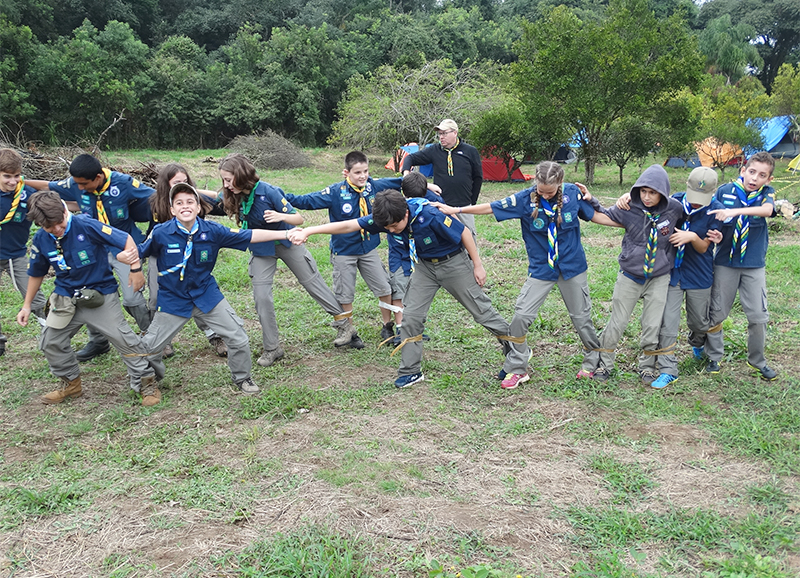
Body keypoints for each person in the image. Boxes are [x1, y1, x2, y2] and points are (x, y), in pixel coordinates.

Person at [290, 188, 511, 389]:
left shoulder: (429, 215)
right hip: (425, 267)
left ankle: (516, 351)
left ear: (405, 214)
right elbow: (350, 225)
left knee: (481, 311)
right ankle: (411, 371)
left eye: (394, 227)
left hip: (453, 263)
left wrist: (478, 265)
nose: (391, 230)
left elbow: (464, 233)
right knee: (410, 317)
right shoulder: (387, 217)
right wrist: (310, 231)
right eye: (387, 228)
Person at [433, 161, 601, 389]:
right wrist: (457, 210)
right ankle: (518, 367)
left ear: (560, 183)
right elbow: (491, 207)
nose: (544, 195)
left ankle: (592, 361)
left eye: (550, 192)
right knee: (521, 316)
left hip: (572, 267)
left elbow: (595, 214)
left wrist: (627, 222)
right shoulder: (525, 199)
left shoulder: (572, 193)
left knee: (581, 318)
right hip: (542, 270)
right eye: (541, 191)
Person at [135, 182, 288, 397]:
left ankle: (242, 377)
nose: (185, 206)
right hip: (173, 298)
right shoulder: (161, 232)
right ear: (172, 210)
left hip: (205, 294)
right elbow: (138, 251)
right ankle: (149, 382)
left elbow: (249, 235)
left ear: (199, 207)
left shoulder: (212, 230)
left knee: (238, 337)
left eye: (190, 202)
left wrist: (284, 234)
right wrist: (132, 267)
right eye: (179, 203)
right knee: (148, 347)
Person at [16, 192, 164, 406]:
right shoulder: (41, 238)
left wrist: (135, 269)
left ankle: (146, 383)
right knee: (50, 341)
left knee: (123, 338)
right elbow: (36, 273)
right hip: (66, 297)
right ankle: (70, 383)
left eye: (59, 223)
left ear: (64, 211)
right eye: (49, 227)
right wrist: (26, 305)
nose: (57, 229)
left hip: (100, 294)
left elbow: (125, 239)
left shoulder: (86, 225)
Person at [218, 153, 350, 365]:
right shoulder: (233, 194)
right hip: (262, 249)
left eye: (228, 179)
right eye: (223, 180)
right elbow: (213, 197)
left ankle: (345, 326)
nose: (225, 185)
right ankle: (272, 348)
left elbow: (298, 218)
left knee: (313, 283)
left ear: (241, 175)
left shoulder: (268, 191)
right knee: (262, 297)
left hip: (288, 242)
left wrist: (280, 216)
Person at [27, 154, 155, 362]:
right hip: (91, 249)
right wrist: (20, 181)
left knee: (132, 298)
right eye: (76, 184)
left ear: (98, 177)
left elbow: (155, 197)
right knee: (87, 293)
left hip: (120, 247)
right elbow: (47, 186)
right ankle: (98, 341)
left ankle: (150, 335)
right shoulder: (76, 183)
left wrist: (149, 233)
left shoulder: (122, 183)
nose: (79, 188)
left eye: (84, 184)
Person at [283, 151, 404, 347]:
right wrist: (279, 196)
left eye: (365, 171)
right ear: (346, 172)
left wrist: (428, 185)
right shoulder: (335, 192)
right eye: (357, 172)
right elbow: (306, 201)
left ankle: (387, 325)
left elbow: (400, 182)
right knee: (345, 294)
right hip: (344, 251)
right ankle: (350, 332)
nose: (363, 176)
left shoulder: (374, 186)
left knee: (384, 287)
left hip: (368, 248)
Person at [582, 165, 683, 384]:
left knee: (652, 325)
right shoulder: (629, 207)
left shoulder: (674, 209)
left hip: (659, 277)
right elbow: (604, 214)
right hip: (629, 276)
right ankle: (605, 363)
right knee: (617, 322)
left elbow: (692, 211)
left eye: (653, 192)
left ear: (663, 193)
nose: (646, 197)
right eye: (643, 191)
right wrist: (591, 199)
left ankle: (647, 366)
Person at [702, 152, 778, 380]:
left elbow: (767, 211)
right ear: (743, 170)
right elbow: (713, 220)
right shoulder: (725, 191)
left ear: (769, 179)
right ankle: (714, 356)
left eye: (762, 175)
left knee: (758, 316)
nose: (755, 178)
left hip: (753, 265)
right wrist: (716, 235)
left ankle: (757, 361)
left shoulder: (766, 194)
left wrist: (735, 211)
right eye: (752, 172)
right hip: (726, 262)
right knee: (717, 312)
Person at [650, 167, 724, 389]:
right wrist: (627, 197)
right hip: (673, 272)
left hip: (699, 273)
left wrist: (692, 236)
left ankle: (698, 342)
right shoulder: (674, 202)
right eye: (693, 196)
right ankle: (668, 369)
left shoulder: (716, 210)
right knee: (668, 323)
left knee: (699, 322)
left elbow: (703, 248)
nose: (696, 203)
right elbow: (648, 206)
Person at [151, 163, 228, 358]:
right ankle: (162, 340)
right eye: (176, 182)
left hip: (192, 254)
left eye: (186, 182)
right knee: (155, 297)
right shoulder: (153, 201)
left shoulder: (194, 200)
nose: (182, 185)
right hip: (163, 256)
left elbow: (223, 204)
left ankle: (215, 335)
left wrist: (197, 191)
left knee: (197, 292)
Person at [400, 119, 483, 236]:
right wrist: (406, 176)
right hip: (441, 205)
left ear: (455, 133)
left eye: (444, 133)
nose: (441, 137)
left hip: (463, 205)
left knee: (468, 236)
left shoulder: (470, 151)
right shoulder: (434, 150)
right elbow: (410, 158)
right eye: (439, 134)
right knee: (445, 238)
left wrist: (472, 201)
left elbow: (478, 177)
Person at [0, 148, 47, 355]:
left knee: (34, 296)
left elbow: (51, 209)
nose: (12, 181)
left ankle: (50, 334)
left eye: (16, 176)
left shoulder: (27, 194)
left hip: (16, 254)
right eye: (6, 176)